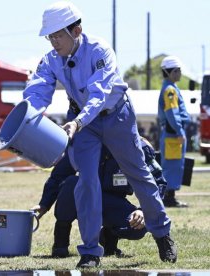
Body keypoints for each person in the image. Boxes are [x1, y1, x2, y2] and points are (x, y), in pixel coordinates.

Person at [23, 1, 176, 267]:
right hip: (84, 123)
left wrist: (77, 123)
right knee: (86, 183)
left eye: (58, 35)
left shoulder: (100, 51)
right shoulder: (50, 60)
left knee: (139, 174)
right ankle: (91, 252)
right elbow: (37, 93)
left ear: (77, 30)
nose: (53, 42)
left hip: (116, 116)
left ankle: (162, 234)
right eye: (50, 37)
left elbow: (99, 95)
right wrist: (26, 120)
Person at [32, 138, 167, 258]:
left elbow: (158, 181)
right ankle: (60, 242)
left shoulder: (138, 146)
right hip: (87, 199)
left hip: (114, 203)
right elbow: (59, 175)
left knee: (138, 227)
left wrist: (143, 210)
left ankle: (109, 236)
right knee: (71, 183)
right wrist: (44, 203)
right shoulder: (85, 143)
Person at [158, 56, 191, 208]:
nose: (180, 73)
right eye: (178, 71)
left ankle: (170, 197)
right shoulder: (170, 90)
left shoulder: (170, 87)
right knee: (172, 166)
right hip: (173, 134)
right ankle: (169, 198)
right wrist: (179, 131)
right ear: (171, 72)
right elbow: (172, 112)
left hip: (172, 133)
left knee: (174, 165)